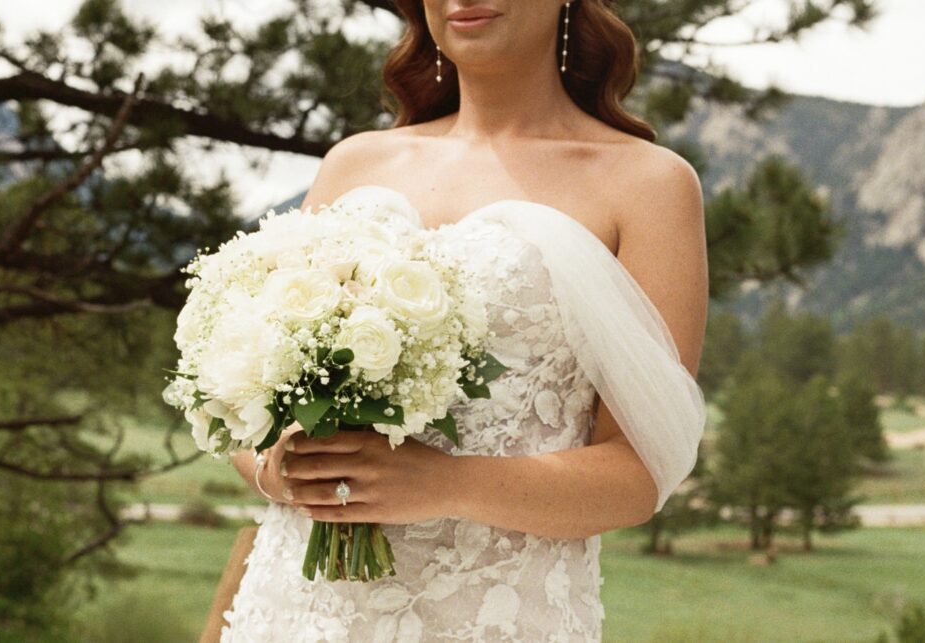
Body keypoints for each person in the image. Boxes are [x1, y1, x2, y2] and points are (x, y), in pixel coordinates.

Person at [218, 0, 708, 640]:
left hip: (491, 617)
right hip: (296, 612)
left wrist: (448, 483)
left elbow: (638, 475)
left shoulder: (649, 184)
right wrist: (282, 470)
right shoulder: (353, 165)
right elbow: (249, 416)